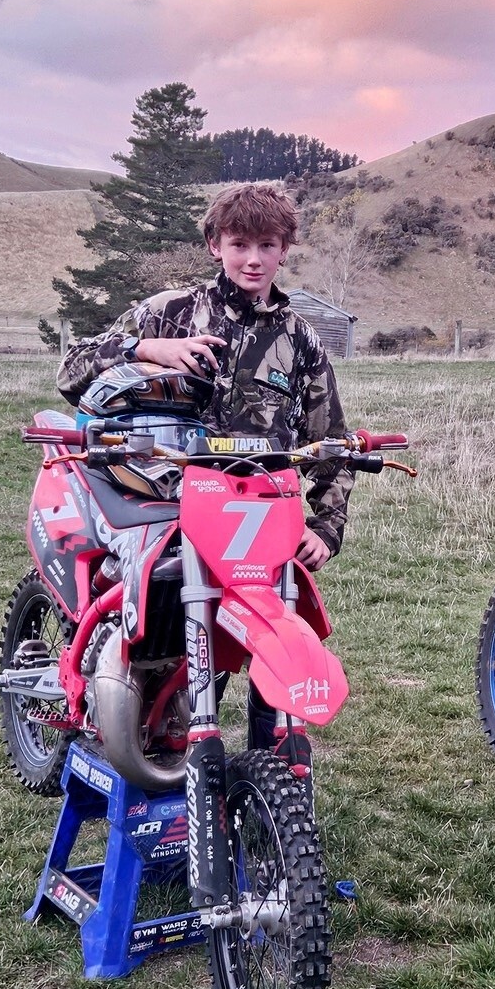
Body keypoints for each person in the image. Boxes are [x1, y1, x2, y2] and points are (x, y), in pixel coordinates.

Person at [57, 181, 353, 755]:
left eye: (266, 244)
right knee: (161, 619)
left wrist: (324, 526)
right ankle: (115, 709)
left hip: (262, 513)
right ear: (215, 245)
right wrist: (146, 350)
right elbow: (72, 370)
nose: (252, 258)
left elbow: (331, 440)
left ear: (284, 250)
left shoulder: (301, 340)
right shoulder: (172, 312)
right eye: (239, 243)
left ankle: (273, 770)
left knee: (276, 625)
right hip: (167, 503)